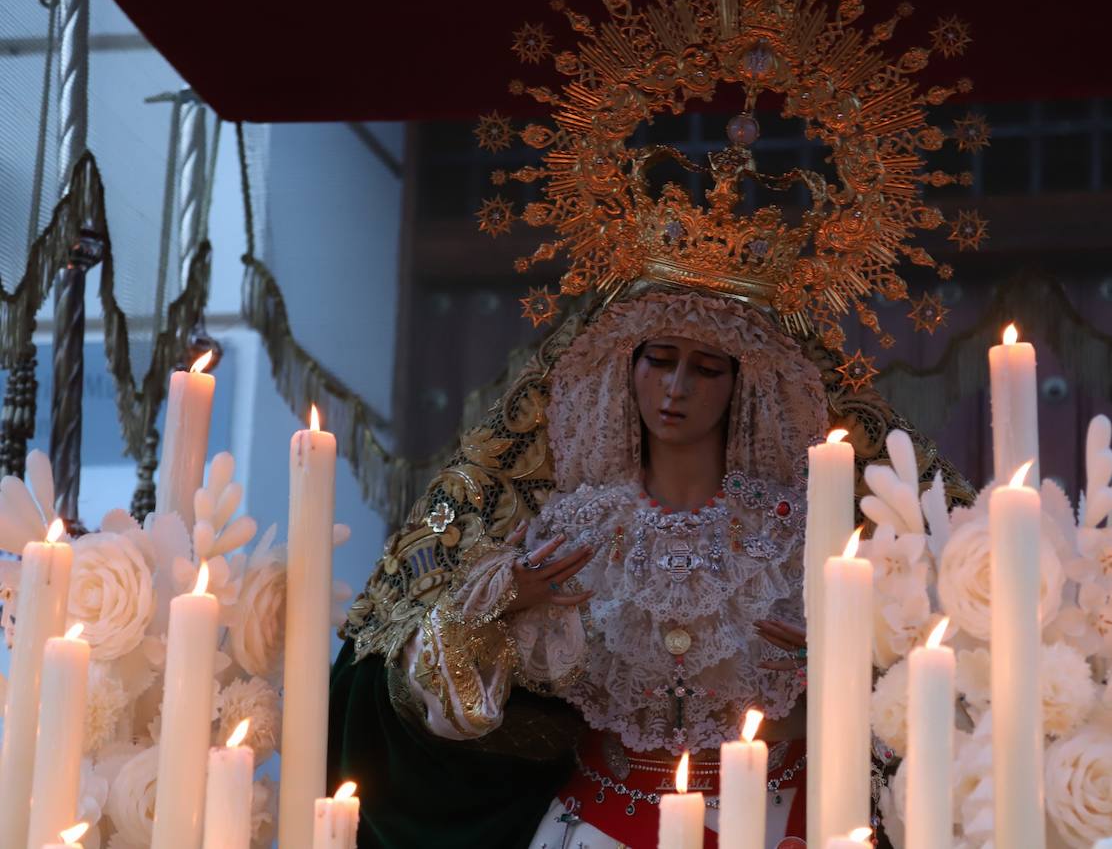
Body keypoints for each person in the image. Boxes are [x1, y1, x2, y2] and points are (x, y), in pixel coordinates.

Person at [328, 284, 969, 847]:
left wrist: (845, 663)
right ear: (626, 369)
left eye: (706, 369)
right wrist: (500, 602)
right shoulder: (573, 531)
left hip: (776, 819)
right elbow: (458, 703)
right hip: (604, 820)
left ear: (740, 383)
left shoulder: (799, 535)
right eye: (658, 361)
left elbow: (925, 682)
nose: (676, 388)